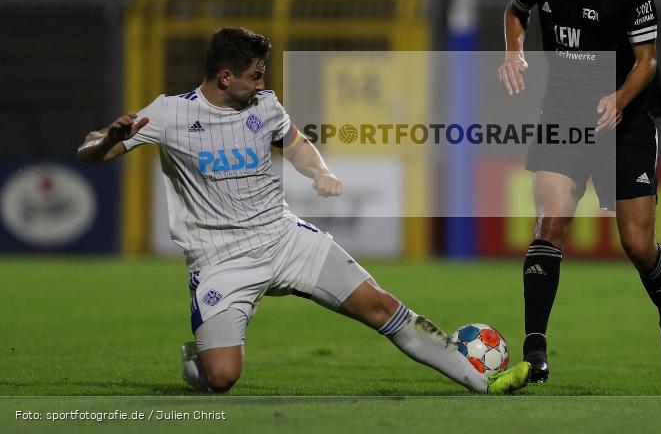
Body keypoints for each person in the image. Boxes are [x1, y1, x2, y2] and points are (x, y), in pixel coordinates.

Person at [78, 27, 529, 395]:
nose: (262, 83)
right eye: (254, 75)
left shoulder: (265, 105)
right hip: (221, 261)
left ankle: (483, 383)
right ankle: (198, 359)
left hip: (285, 239)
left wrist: (319, 172)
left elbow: (296, 143)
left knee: (382, 307)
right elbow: (88, 151)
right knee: (221, 377)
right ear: (224, 78)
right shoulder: (170, 114)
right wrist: (110, 140)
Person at [497, 0, 661, 393]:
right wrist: (514, 50)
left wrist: (618, 99)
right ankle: (534, 352)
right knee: (550, 225)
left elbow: (647, 62)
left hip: (622, 119)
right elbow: (515, 11)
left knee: (637, 243)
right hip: (562, 114)